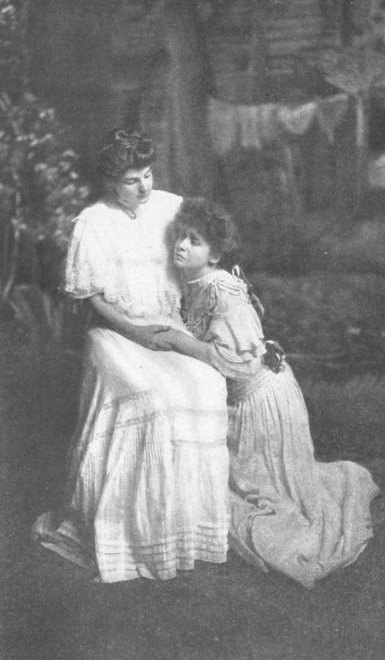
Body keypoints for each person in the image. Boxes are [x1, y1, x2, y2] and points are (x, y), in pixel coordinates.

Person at [32, 130, 230, 583]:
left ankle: (187, 526)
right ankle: (134, 534)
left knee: (206, 385)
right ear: (109, 183)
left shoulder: (170, 207)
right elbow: (93, 298)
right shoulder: (93, 222)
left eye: (147, 174)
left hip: (167, 324)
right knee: (151, 402)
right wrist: (136, 332)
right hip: (116, 333)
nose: (143, 186)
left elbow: (209, 252)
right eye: (130, 180)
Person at [158, 198, 379, 589]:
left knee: (263, 496)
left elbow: (237, 362)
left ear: (214, 255)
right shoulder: (197, 284)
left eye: (194, 241)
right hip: (256, 394)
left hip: (263, 401)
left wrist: (179, 341)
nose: (181, 245)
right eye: (180, 236)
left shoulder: (221, 288)